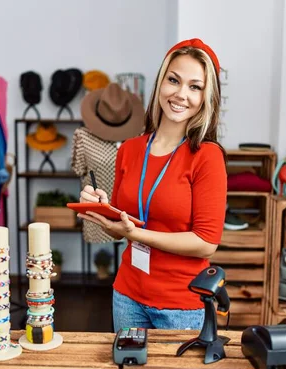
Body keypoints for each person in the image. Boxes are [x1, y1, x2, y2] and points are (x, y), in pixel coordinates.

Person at [78, 38, 227, 331]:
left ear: (206, 97)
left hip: (181, 304)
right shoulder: (130, 149)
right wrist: (102, 206)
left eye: (195, 86)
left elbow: (205, 243)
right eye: (174, 80)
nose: (181, 94)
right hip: (127, 295)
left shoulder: (207, 156)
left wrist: (138, 234)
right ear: (161, 83)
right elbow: (126, 222)